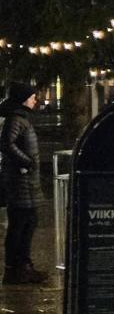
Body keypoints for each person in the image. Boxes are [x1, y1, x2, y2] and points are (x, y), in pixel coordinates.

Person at [0, 83, 48, 284]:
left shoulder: (21, 118)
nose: (35, 100)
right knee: (20, 225)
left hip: (27, 181)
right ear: (23, 99)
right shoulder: (16, 119)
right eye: (32, 97)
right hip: (21, 181)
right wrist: (27, 162)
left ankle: (23, 266)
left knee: (28, 223)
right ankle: (15, 269)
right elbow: (6, 144)